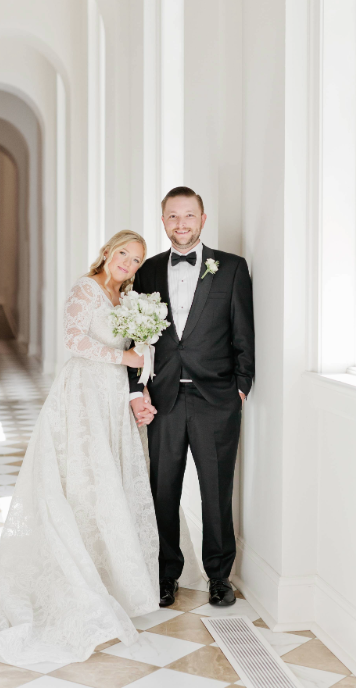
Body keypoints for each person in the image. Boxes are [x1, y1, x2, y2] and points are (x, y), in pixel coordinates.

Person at [0, 231, 165, 667]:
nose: (129, 262)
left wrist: (135, 389)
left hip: (110, 401)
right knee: (83, 483)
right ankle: (74, 573)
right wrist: (123, 359)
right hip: (81, 396)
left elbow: (136, 351)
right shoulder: (85, 289)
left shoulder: (127, 297)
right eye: (124, 253)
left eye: (137, 259)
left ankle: (107, 572)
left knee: (111, 482)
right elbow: (74, 341)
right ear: (107, 252)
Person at [129, 187, 255, 609]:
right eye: (172, 217)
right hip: (164, 399)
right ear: (162, 221)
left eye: (188, 216)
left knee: (216, 491)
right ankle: (166, 575)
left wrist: (240, 387)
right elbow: (134, 337)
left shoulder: (233, 268)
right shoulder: (145, 272)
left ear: (203, 219)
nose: (180, 225)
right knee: (162, 488)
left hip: (216, 398)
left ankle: (219, 576)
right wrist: (136, 389)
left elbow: (244, 335)